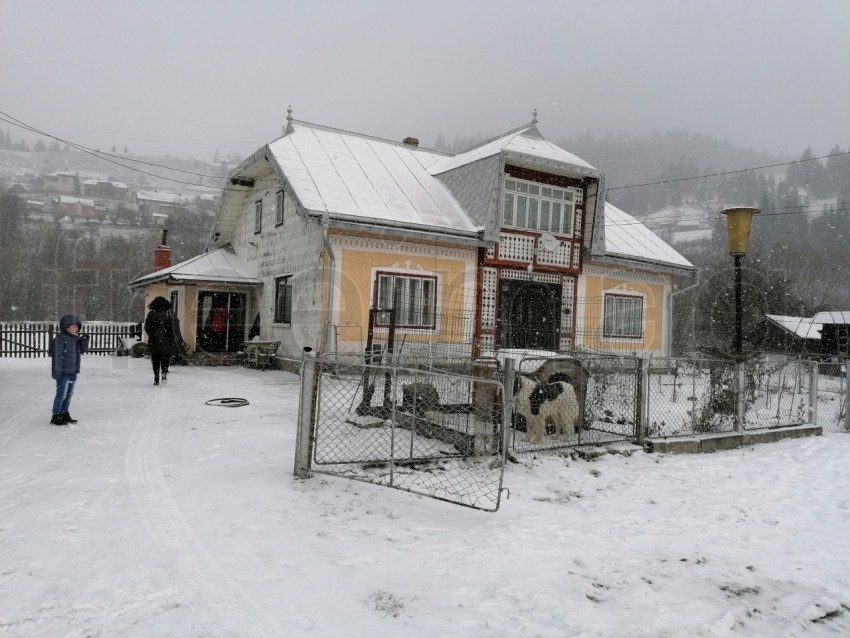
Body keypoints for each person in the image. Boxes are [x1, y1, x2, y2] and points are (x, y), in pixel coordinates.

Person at [50, 314, 90, 426]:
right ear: (66, 327)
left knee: (69, 394)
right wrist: (57, 372)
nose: (76, 329)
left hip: (73, 372)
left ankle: (64, 412)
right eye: (74, 326)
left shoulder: (76, 339)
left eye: (78, 326)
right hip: (63, 373)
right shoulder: (60, 340)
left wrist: (85, 341)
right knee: (61, 394)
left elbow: (83, 350)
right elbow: (57, 357)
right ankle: (56, 415)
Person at [144, 296, 177, 385]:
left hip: (154, 341)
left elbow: (147, 327)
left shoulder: (151, 314)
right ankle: (164, 373)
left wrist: (152, 335)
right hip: (167, 341)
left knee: (155, 359)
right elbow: (175, 327)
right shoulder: (170, 313)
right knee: (165, 358)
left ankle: (156, 377)